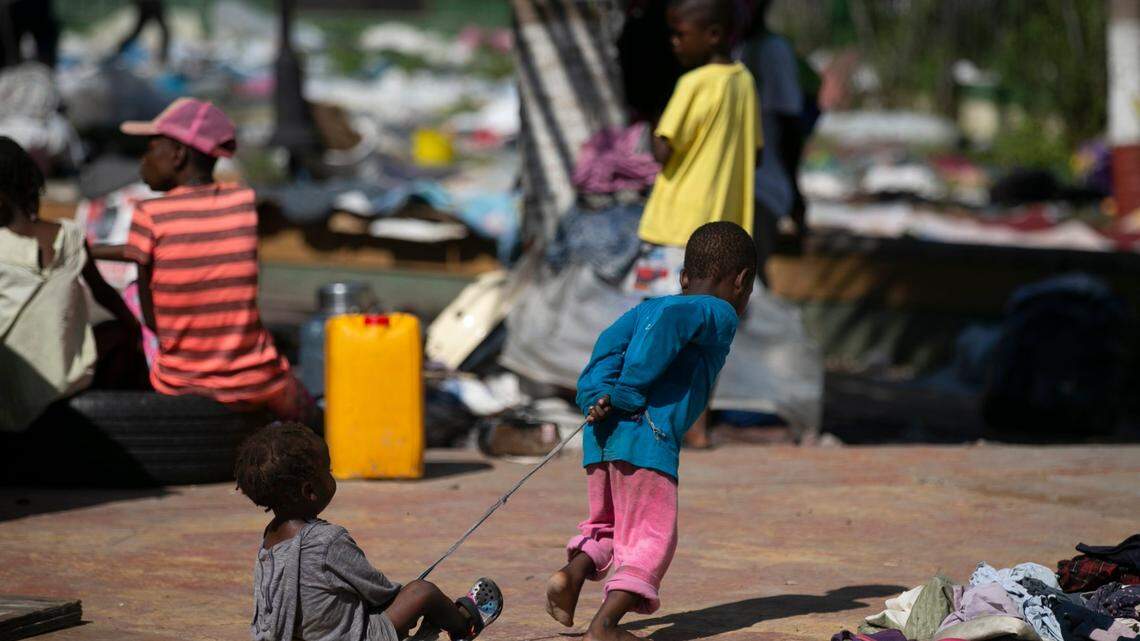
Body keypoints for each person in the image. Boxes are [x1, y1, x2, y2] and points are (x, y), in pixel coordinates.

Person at [545, 222, 757, 641]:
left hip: (602, 434)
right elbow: (675, 322)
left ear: (682, 276)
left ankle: (573, 574)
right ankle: (605, 626)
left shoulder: (646, 308)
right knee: (650, 538)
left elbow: (606, 345)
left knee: (608, 525)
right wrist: (627, 393)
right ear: (741, 282)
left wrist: (596, 396)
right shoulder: (718, 312)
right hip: (648, 438)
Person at [90, 98, 313, 424]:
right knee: (306, 408)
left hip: (178, 382)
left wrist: (87, 254)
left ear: (178, 154)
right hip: (256, 380)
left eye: (152, 149)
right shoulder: (244, 202)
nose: (143, 161)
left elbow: (152, 321)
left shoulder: (149, 213)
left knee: (126, 311)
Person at [624, 0, 760, 447]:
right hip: (726, 233)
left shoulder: (693, 83)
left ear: (715, 34)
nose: (674, 42)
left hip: (676, 227)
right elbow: (756, 152)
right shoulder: (744, 83)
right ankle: (696, 426)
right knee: (711, 330)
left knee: (655, 325)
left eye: (681, 34)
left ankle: (652, 419)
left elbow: (664, 149)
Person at [234, 422, 504, 641]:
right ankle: (464, 625)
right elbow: (379, 591)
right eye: (327, 470)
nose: (331, 475)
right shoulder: (327, 541)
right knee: (421, 592)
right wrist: (401, 604)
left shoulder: (269, 540)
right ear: (310, 491)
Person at [0, 136, 142, 432]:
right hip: (68, 380)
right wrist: (140, 335)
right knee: (116, 334)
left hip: (11, 389)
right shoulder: (70, 236)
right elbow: (107, 297)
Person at [738, 0, 817, 283]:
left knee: (743, 286)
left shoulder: (770, 51)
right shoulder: (725, 50)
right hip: (732, 190)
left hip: (760, 189)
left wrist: (796, 196)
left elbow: (789, 127)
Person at [115, 0, 170, 65]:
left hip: (153, 4)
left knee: (165, 32)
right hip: (149, 5)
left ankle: (163, 55)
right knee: (136, 31)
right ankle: (120, 50)